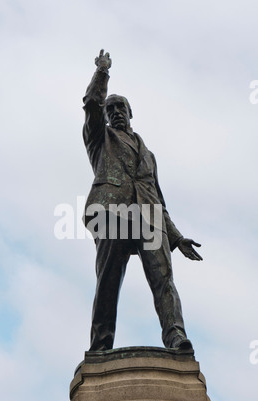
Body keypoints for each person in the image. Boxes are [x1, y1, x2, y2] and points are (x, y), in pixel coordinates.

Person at [82, 50, 202, 352]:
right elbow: (92, 104)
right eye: (112, 109)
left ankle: (176, 335)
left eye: (121, 107)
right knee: (108, 283)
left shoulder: (149, 155)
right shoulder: (99, 138)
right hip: (112, 214)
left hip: (150, 219)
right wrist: (102, 73)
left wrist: (175, 236)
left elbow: (157, 198)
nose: (116, 111)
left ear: (131, 113)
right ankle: (100, 346)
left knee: (164, 280)